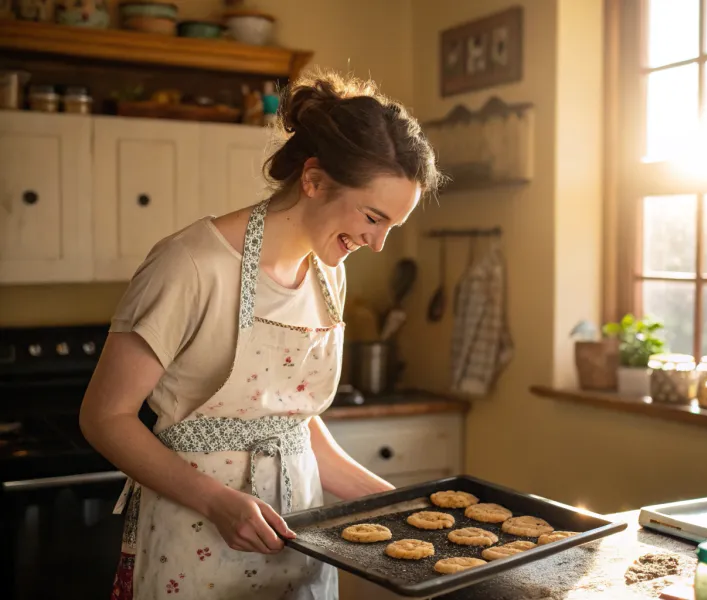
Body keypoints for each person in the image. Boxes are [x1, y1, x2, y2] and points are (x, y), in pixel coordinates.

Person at [79, 68, 441, 600]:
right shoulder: (190, 265)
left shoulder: (328, 271)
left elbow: (292, 423)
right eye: (372, 217)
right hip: (195, 537)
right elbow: (104, 417)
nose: (378, 243)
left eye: (392, 226)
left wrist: (400, 505)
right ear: (314, 180)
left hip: (303, 540)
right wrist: (215, 501)